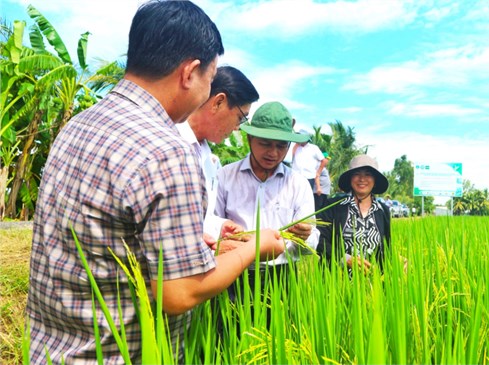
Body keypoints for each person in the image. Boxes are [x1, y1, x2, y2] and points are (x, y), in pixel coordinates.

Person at [26, 2, 284, 364]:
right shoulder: (167, 151)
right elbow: (180, 293)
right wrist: (253, 249)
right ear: (189, 72)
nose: (207, 92)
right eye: (209, 79)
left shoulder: (78, 126)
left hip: (49, 350)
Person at [215, 102, 319, 300]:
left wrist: (304, 236)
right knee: (228, 329)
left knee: (282, 330)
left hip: (281, 278)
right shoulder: (225, 177)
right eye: (265, 143)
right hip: (233, 273)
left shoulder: (298, 183)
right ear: (250, 138)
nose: (273, 153)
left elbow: (312, 242)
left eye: (281, 146)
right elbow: (211, 230)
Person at [176, 65, 259, 247]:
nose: (238, 128)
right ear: (218, 102)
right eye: (240, 117)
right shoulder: (170, 145)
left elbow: (199, 218)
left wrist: (221, 225)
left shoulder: (210, 161)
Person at [317, 155, 391, 276]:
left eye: (368, 174)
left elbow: (387, 245)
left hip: (372, 282)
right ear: (350, 179)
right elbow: (319, 239)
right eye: (357, 174)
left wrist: (398, 260)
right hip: (336, 280)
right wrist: (343, 258)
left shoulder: (383, 211)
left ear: (375, 179)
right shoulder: (333, 206)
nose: (362, 179)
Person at [291, 128, 329, 208]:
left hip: (309, 177)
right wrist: (296, 144)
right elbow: (291, 156)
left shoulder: (313, 148)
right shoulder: (295, 147)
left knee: (305, 199)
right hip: (295, 176)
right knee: (294, 197)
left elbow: (324, 161)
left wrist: (318, 173)